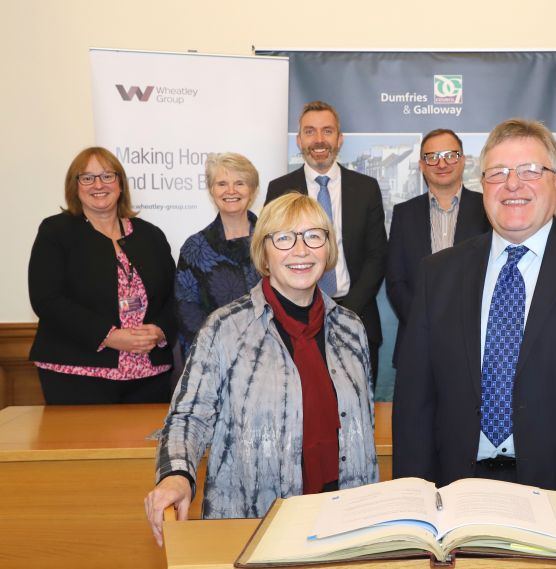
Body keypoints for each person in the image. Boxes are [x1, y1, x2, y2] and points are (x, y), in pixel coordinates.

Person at [392, 119, 556, 513]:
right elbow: (414, 410)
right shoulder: (438, 274)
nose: (513, 184)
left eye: (531, 170)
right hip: (458, 497)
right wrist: (413, 508)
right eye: (498, 173)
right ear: (482, 185)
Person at [144, 194, 378, 547]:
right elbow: (188, 417)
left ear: (327, 249)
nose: (301, 250)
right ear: (264, 252)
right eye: (284, 238)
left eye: (314, 236)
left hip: (343, 524)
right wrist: (176, 475)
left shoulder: (351, 329)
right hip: (253, 527)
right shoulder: (224, 328)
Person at [28, 147, 176, 404]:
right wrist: (110, 337)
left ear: (120, 183)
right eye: (87, 178)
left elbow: (176, 297)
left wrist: (160, 331)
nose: (98, 184)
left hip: (149, 374)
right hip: (76, 374)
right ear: (75, 186)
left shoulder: (150, 235)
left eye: (107, 176)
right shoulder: (56, 232)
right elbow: (47, 300)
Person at [265, 101, 387, 384]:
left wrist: (343, 311)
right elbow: (272, 255)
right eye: (310, 132)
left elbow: (377, 256)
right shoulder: (279, 189)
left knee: (359, 409)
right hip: (296, 319)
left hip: (357, 315)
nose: (319, 140)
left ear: (339, 139)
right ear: (299, 140)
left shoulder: (366, 188)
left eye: (327, 131)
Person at [386, 128, 490, 364]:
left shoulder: (487, 210)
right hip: (417, 339)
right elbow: (395, 280)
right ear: (422, 165)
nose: (441, 163)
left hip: (476, 341)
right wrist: (421, 320)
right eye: (432, 157)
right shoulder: (404, 214)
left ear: (462, 160)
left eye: (450, 155)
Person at [175, 153, 261, 356]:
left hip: (273, 358)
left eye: (240, 183)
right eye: (222, 183)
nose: (231, 191)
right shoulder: (194, 248)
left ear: (253, 189)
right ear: (212, 191)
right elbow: (186, 311)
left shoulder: (273, 239)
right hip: (216, 359)